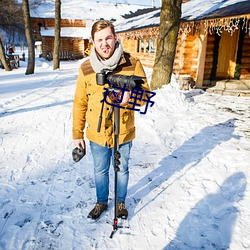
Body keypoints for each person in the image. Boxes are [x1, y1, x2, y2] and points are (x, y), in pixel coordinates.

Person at [72, 20, 150, 220]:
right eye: (99, 40)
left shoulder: (132, 63)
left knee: (122, 168)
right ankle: (101, 202)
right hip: (97, 133)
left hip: (123, 130)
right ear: (93, 42)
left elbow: (145, 96)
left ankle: (121, 202)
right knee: (100, 170)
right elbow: (80, 102)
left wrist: (129, 98)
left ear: (115, 38)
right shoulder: (86, 68)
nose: (104, 43)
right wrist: (77, 134)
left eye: (108, 38)